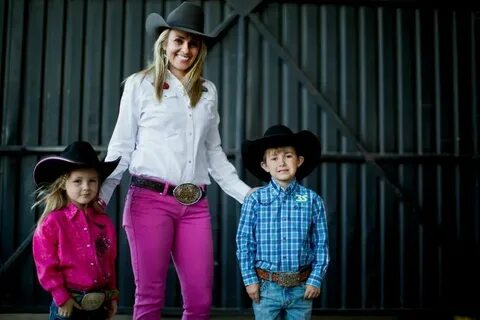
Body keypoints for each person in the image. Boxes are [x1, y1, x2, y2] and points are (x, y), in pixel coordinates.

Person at [96, 2, 253, 319]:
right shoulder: (139, 85)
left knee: (199, 302)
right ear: (164, 43)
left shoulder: (208, 91)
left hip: (195, 206)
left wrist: (249, 196)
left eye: (193, 43)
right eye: (179, 40)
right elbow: (121, 147)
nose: (186, 49)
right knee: (149, 298)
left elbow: (214, 154)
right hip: (149, 202)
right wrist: (99, 197)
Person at [236, 124, 330, 320]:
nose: (282, 163)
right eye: (274, 158)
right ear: (265, 166)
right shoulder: (255, 200)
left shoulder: (312, 200)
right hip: (265, 287)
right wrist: (249, 279)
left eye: (288, 156)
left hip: (302, 288)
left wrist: (315, 279)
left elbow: (321, 244)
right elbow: (245, 242)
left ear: (299, 160)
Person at [31, 141, 121, 320]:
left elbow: (109, 262)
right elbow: (46, 265)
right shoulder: (53, 222)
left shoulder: (104, 222)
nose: (86, 187)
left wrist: (112, 296)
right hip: (69, 304)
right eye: (78, 181)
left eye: (92, 181)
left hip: (100, 305)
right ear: (64, 183)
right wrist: (61, 296)